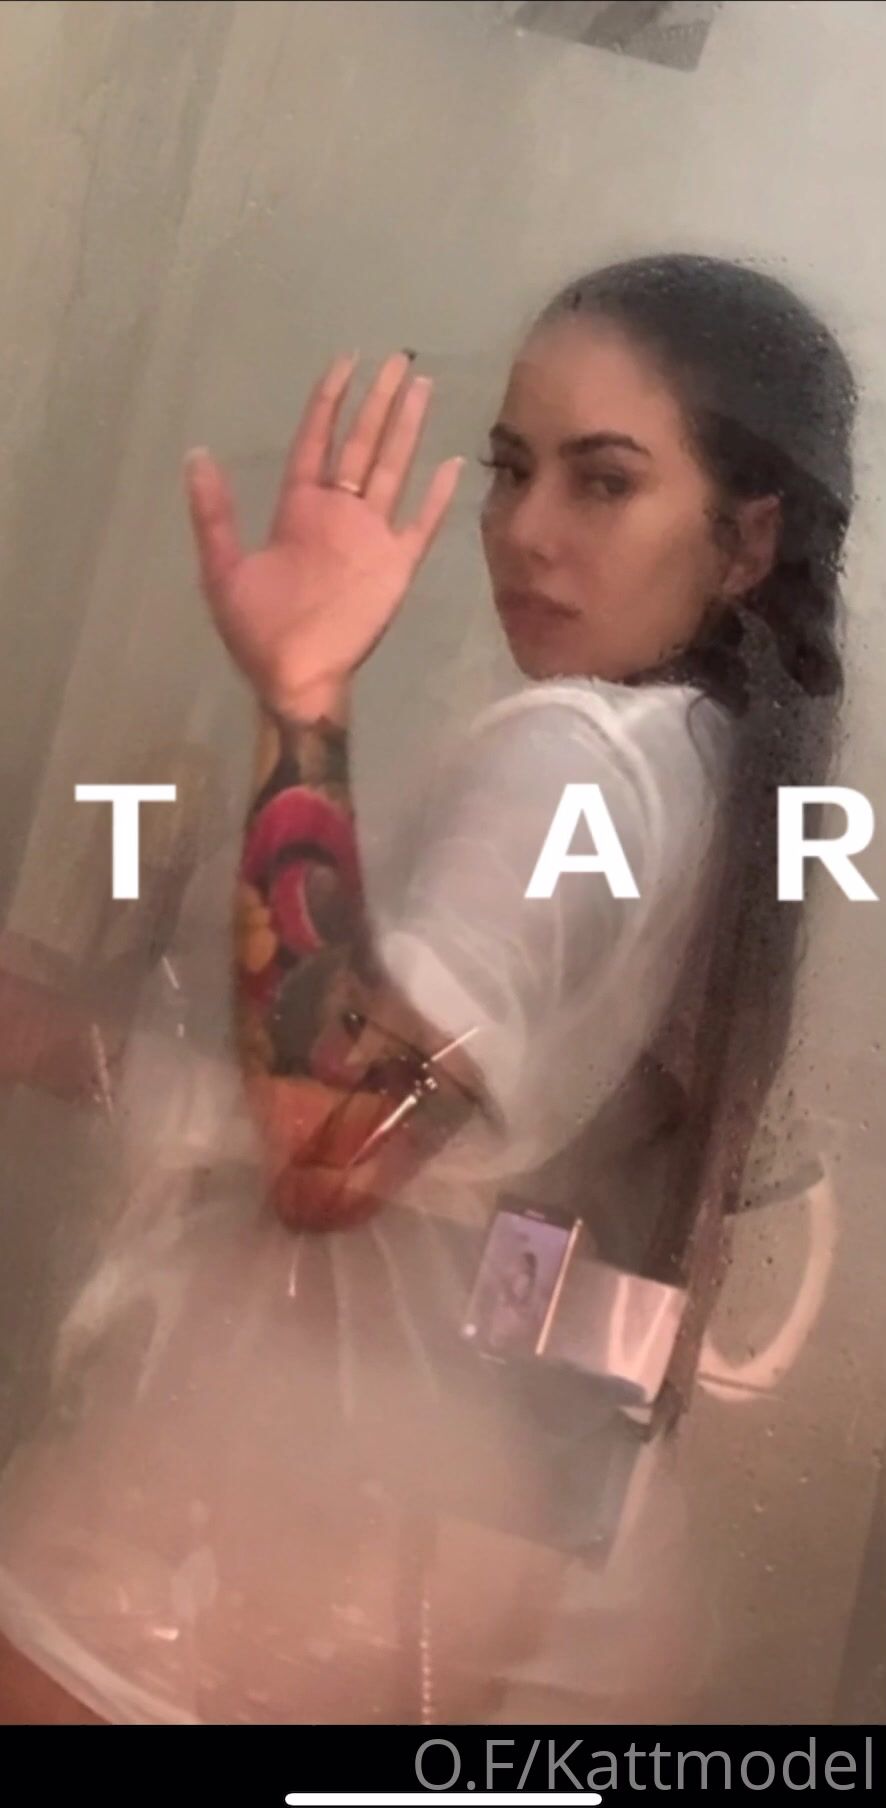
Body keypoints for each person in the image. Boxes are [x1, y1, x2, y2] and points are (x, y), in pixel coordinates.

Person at [0, 254, 856, 1723]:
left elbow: (330, 1147)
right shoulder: (718, 782)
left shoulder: (579, 756)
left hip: (240, 1542)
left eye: (603, 482)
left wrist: (305, 690)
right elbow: (450, 1173)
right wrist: (76, 1040)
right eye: (511, 470)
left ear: (745, 539)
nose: (524, 532)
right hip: (453, 1535)